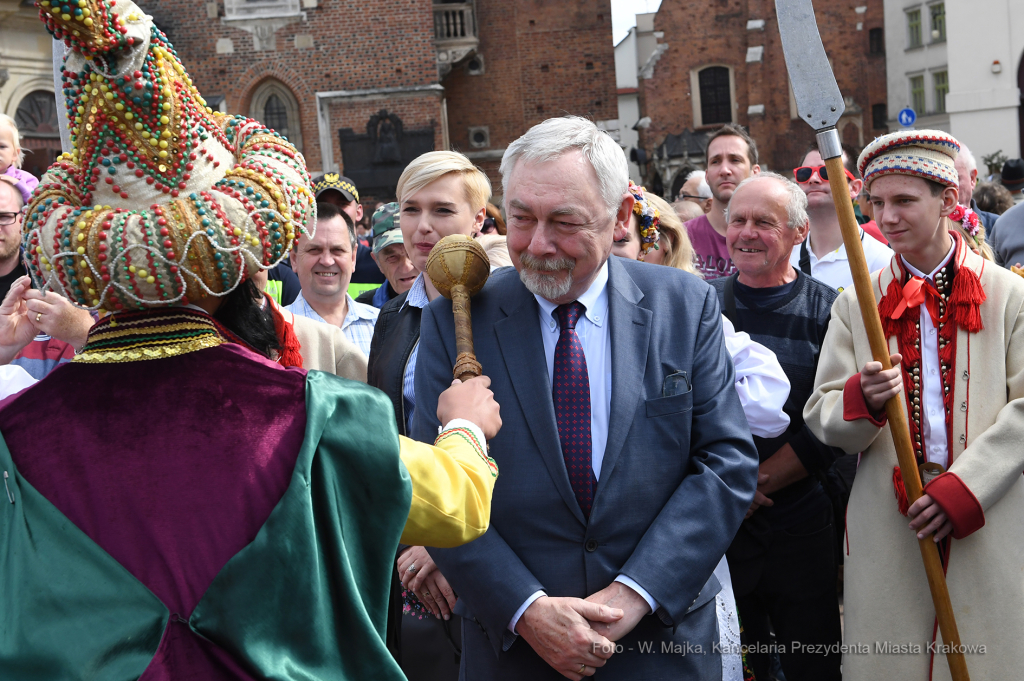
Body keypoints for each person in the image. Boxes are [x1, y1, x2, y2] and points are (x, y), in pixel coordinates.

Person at [2, 5, 505, 680]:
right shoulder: (313, 415)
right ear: (235, 265)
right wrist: (467, 426)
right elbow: (457, 500)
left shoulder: (14, 436)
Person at [413, 116, 759, 680]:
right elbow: (434, 490)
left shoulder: (683, 305)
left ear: (621, 215)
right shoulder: (454, 323)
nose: (538, 244)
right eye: (521, 218)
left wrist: (634, 594)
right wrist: (527, 610)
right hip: (516, 652)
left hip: (661, 643)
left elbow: (725, 463)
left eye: (565, 222)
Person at [805, 130, 1024, 680]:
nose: (887, 216)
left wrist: (964, 488)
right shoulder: (858, 300)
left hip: (990, 513)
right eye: (877, 203)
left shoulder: (1007, 294)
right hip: (888, 520)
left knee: (989, 649)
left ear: (949, 201)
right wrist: (864, 401)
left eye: (904, 201)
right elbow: (823, 411)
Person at [613, 181, 792, 681]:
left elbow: (763, 402)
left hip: (680, 530)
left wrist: (706, 438)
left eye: (623, 242)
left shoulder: (692, 315)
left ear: (657, 247)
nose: (611, 256)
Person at [710, 173, 843, 681]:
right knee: (735, 662)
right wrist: (729, 488)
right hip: (721, 523)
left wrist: (758, 485)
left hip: (798, 521)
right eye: (737, 220)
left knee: (812, 662)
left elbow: (834, 420)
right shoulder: (702, 308)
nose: (745, 232)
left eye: (763, 222)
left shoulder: (830, 312)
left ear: (799, 231)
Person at [366, 150, 489, 681]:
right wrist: (408, 538)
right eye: (410, 209)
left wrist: (444, 545)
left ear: (478, 220)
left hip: (484, 543)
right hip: (406, 551)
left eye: (442, 211)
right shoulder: (394, 315)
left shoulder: (505, 310)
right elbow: (388, 429)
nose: (422, 227)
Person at [790, 147, 893, 293]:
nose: (813, 179)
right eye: (804, 173)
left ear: (854, 188)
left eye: (826, 172)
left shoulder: (881, 261)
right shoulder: (784, 255)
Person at [286, 202, 379, 357]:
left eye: (337, 250)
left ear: (353, 257)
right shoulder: (273, 330)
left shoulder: (383, 327)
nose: (327, 261)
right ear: (294, 259)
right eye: (314, 250)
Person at [686, 124, 760, 279]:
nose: (725, 170)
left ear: (755, 172)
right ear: (707, 175)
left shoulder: (770, 237)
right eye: (716, 161)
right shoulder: (683, 238)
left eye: (735, 160)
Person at [311, 173, 386, 286]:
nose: (333, 211)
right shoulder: (301, 268)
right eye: (322, 205)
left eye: (342, 204)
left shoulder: (380, 266)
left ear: (359, 212)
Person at [356, 202, 418, 308]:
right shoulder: (362, 312)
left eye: (412, 253)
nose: (406, 267)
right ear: (377, 261)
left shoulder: (450, 304)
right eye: (392, 257)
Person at [953, 142, 999, 231]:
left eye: (954, 179)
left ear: (972, 179)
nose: (947, 189)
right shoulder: (927, 231)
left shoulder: (996, 227)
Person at [0, 114, 37, 205]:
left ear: (14, 154)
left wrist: (19, 185)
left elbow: (37, 203)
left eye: (1, 146)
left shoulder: (26, 179)